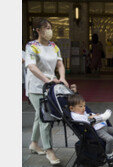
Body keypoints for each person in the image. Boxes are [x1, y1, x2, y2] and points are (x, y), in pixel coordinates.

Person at [26, 18, 68, 165]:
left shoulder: (54, 46)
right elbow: (31, 66)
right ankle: (49, 150)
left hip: (51, 86)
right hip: (36, 86)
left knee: (40, 115)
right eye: (45, 27)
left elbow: (60, 64)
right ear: (38, 30)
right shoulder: (32, 46)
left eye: (50, 27)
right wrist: (46, 79)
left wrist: (62, 77)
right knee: (46, 116)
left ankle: (33, 144)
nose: (49, 30)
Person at [68, 93, 113, 165]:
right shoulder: (76, 116)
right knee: (110, 139)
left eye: (84, 106)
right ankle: (109, 156)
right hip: (97, 130)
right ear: (72, 108)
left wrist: (94, 115)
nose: (84, 108)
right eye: (81, 106)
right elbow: (87, 121)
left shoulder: (82, 112)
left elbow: (88, 116)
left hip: (102, 127)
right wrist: (98, 118)